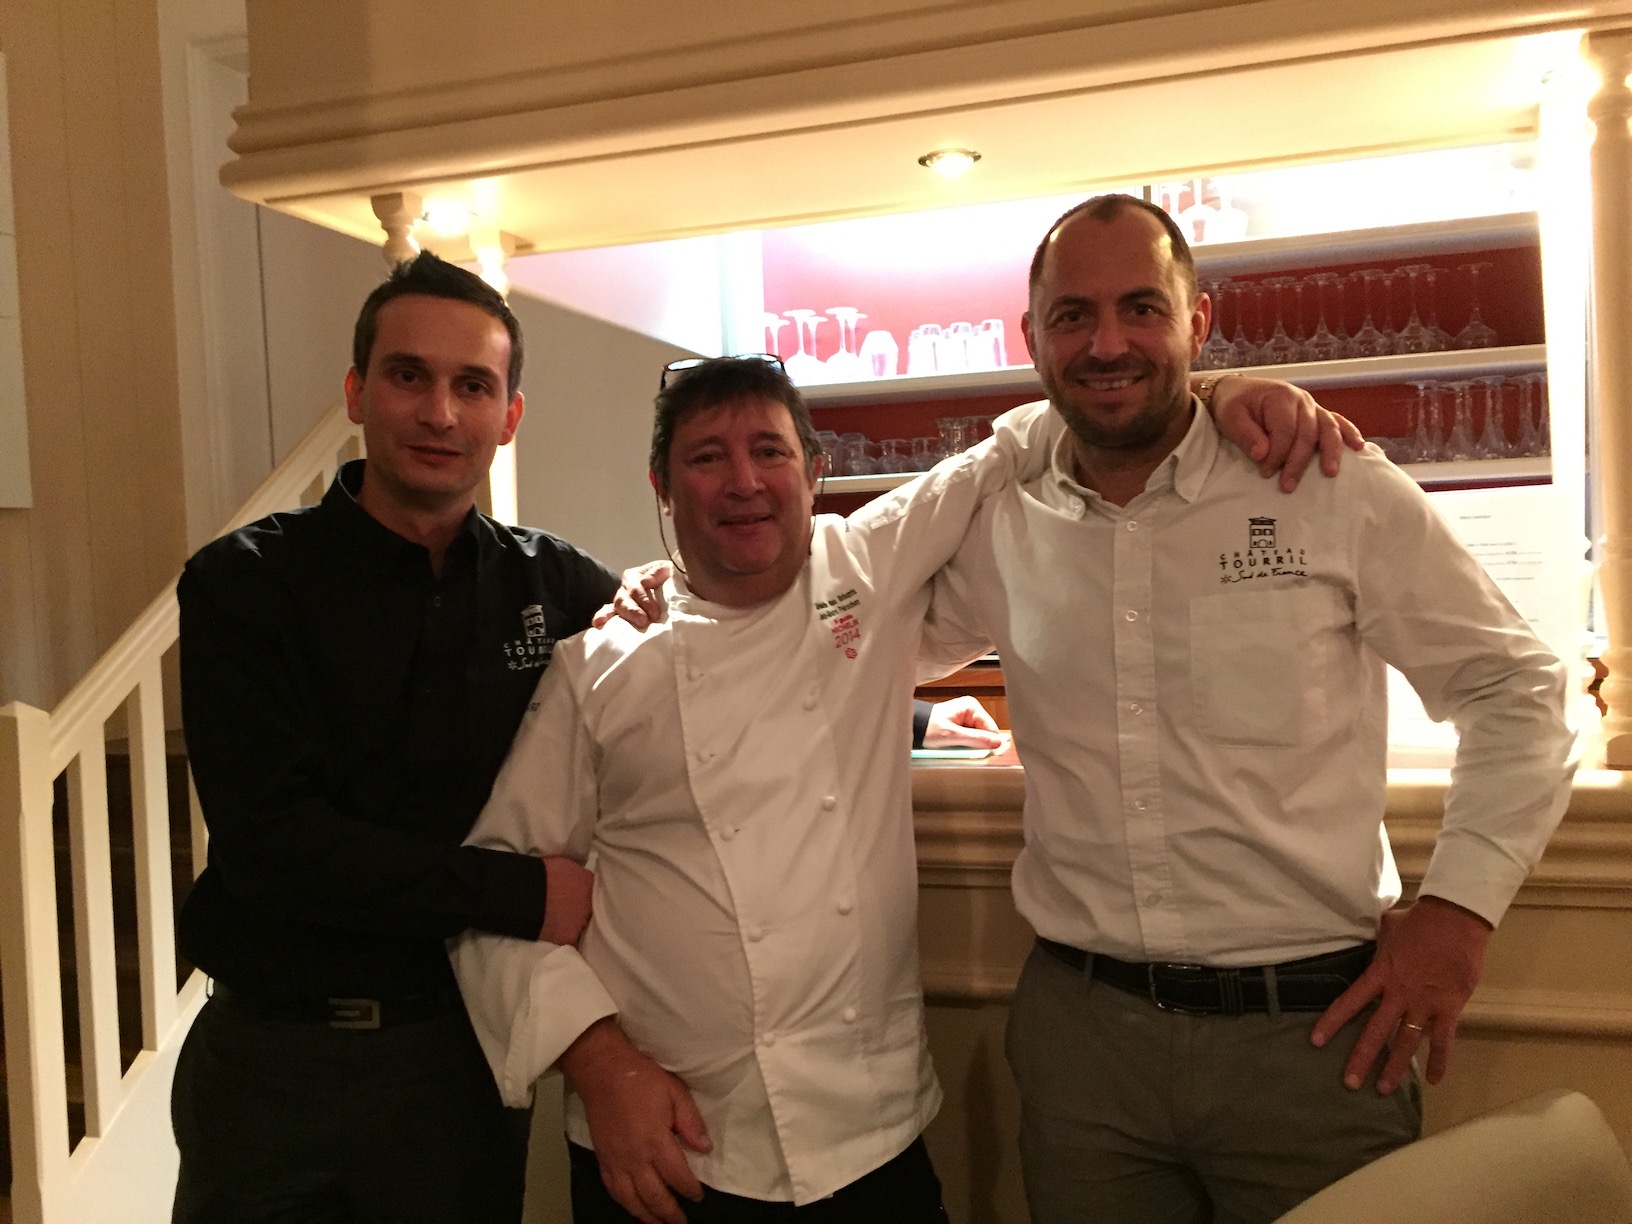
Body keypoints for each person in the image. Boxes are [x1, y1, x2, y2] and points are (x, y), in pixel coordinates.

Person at [452, 354, 1350, 1224]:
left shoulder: (863, 573)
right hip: (666, 1145)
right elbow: (490, 897)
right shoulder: (598, 667)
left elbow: (1024, 441)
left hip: (865, 1136)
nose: (744, 482)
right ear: (663, 486)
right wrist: (602, 1068)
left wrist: (1216, 388)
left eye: (769, 451)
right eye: (707, 457)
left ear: (815, 473)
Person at [921, 194, 1576, 1223]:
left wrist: (1459, 914)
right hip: (1084, 1046)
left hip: (1313, 1039)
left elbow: (1518, 688)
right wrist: (680, 595)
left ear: (1199, 322)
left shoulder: (1327, 483)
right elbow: (854, 640)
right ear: (1031, 336)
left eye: (1142, 308)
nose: (1107, 344)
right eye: (1073, 315)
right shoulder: (1002, 519)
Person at [169, 251, 616, 1224]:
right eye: (408, 375)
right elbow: (276, 845)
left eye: (473, 386)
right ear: (356, 393)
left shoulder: (554, 585)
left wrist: (917, 714)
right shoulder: (243, 585)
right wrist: (522, 894)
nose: (440, 413)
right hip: (274, 1067)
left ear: (510, 415)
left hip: (458, 1062)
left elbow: (690, 680)